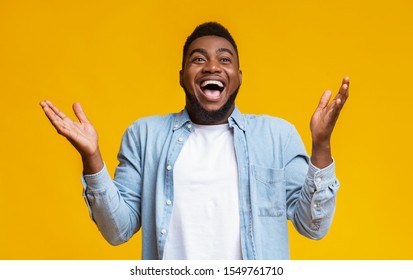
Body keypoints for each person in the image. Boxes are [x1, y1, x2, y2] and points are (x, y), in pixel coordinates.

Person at [40, 22, 349, 260]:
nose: (212, 67)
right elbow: (118, 230)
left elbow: (313, 226)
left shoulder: (276, 136)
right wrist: (92, 158)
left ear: (238, 76)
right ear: (182, 75)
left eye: (224, 59)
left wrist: (321, 146)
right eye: (198, 59)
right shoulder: (144, 136)